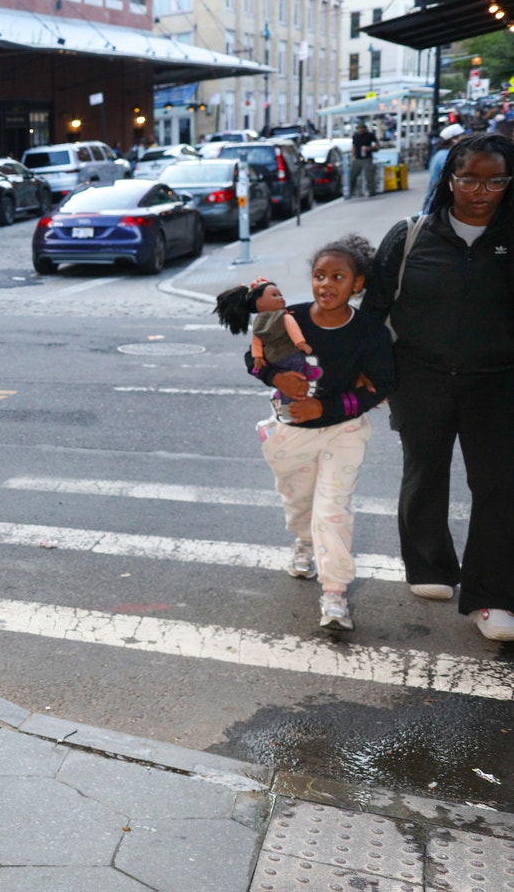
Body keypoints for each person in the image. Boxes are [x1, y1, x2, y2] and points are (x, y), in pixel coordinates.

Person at [362, 132, 514, 642]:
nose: (481, 190)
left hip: (497, 382)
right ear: (450, 179)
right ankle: (429, 565)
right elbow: (375, 312)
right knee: (425, 471)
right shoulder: (410, 236)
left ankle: (491, 596)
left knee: (497, 484)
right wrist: (377, 375)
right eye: (469, 178)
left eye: (495, 179)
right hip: (419, 378)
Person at [247, 236, 396, 631]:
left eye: (337, 277)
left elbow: (382, 384)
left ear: (357, 284)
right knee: (299, 502)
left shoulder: (369, 333)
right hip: (291, 431)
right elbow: (253, 355)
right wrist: (275, 375)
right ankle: (303, 540)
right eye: (318, 276)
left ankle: (334, 594)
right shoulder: (288, 316)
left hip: (343, 431)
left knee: (332, 509)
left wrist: (325, 408)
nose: (326, 284)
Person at [214, 279, 318, 406]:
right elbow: (251, 358)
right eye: (320, 276)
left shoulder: (290, 314)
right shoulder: (293, 314)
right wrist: (275, 377)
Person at [425, 123, 465, 211]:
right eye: (462, 137)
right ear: (454, 140)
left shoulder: (440, 154)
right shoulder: (446, 156)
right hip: (440, 203)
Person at [349, 122, 378, 197]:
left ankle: (371, 191)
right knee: (353, 175)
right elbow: (354, 146)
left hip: (367, 158)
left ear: (365, 128)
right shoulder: (355, 136)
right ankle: (351, 191)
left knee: (369, 175)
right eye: (359, 128)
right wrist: (353, 155)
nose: (360, 130)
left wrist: (370, 148)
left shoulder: (370, 135)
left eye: (362, 128)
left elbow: (377, 144)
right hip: (358, 158)